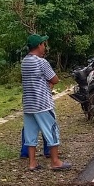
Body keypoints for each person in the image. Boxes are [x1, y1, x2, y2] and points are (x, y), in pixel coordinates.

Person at [21, 34, 71, 172]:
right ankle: (55, 161)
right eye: (43, 44)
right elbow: (55, 80)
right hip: (43, 103)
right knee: (52, 130)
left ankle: (32, 163)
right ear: (38, 46)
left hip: (28, 104)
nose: (45, 47)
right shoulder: (42, 62)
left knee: (30, 134)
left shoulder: (24, 61)